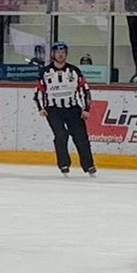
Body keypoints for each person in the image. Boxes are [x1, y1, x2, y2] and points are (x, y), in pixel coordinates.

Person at [34, 42, 96, 176]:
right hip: (53, 110)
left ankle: (89, 165)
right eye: (57, 52)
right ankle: (64, 164)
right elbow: (39, 91)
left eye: (63, 52)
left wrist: (86, 109)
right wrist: (41, 107)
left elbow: (85, 90)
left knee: (81, 137)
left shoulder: (74, 71)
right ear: (53, 54)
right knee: (61, 135)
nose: (60, 55)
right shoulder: (45, 72)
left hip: (72, 108)